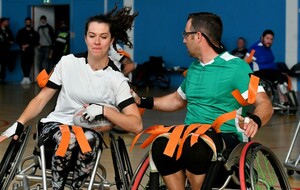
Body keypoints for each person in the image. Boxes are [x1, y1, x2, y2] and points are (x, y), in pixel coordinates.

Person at [0, 6, 142, 190]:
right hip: (56, 124)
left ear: (111, 40)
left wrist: (104, 110)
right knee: (69, 140)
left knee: (87, 140)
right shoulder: (68, 62)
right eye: (92, 36)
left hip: (90, 130)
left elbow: (136, 125)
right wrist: (19, 122)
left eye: (103, 36)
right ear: (85, 38)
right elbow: (41, 99)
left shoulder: (117, 80)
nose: (97, 41)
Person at [132, 12, 273, 189]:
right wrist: (142, 100)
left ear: (198, 36)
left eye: (186, 34)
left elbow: (265, 103)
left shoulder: (236, 67)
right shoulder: (194, 68)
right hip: (192, 134)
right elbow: (177, 100)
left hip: (225, 138)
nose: (183, 40)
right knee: (161, 146)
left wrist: (256, 119)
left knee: (195, 150)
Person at [245, 29, 289, 105]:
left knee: (283, 77)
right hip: (258, 73)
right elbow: (245, 62)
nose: (269, 41)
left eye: (271, 39)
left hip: (269, 72)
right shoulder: (255, 49)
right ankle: (283, 100)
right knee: (278, 75)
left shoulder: (268, 49)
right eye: (267, 38)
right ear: (262, 38)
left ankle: (285, 100)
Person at [16, 17, 39, 84]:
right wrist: (22, 45)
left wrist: (28, 45)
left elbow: (36, 41)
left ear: (31, 23)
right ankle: (25, 77)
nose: (28, 23)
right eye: (27, 22)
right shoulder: (21, 31)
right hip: (23, 51)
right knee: (23, 64)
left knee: (29, 64)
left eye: (29, 22)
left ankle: (27, 78)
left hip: (30, 51)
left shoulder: (34, 33)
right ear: (25, 23)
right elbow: (17, 40)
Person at [0, 17, 14, 83]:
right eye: (6, 21)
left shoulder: (8, 30)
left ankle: (2, 79)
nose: (8, 23)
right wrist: (6, 41)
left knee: (3, 65)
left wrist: (6, 41)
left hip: (5, 51)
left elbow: (12, 40)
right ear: (3, 22)